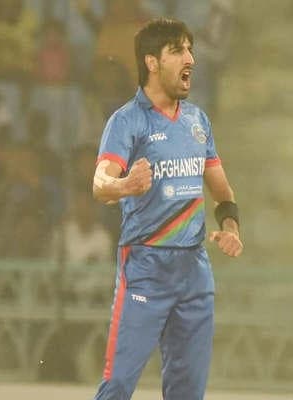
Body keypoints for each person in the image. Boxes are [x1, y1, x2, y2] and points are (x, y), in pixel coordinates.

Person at [91, 18, 243, 400]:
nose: (190, 58)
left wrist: (231, 227)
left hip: (194, 272)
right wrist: (125, 185)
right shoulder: (127, 120)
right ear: (152, 62)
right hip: (146, 268)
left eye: (190, 49)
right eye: (178, 51)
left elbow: (223, 193)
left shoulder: (197, 120)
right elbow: (99, 184)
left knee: (188, 393)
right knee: (118, 385)